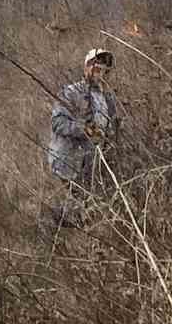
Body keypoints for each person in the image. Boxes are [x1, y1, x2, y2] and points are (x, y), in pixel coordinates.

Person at [44, 47, 122, 228]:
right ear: (86, 68)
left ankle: (67, 229)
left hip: (94, 162)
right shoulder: (71, 92)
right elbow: (58, 123)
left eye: (104, 71)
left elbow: (111, 128)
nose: (99, 74)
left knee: (89, 203)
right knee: (82, 202)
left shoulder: (107, 98)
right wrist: (84, 129)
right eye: (96, 69)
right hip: (70, 160)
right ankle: (52, 225)